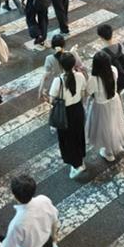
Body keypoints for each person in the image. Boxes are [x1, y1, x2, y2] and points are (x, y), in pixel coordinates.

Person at [48, 50, 88, 179]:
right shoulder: (81, 76)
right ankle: (80, 160)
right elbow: (83, 94)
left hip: (65, 113)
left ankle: (76, 165)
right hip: (77, 110)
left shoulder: (58, 81)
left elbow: (52, 100)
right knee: (78, 135)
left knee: (67, 140)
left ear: (61, 65)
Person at [86, 50, 124, 162]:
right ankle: (116, 144)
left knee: (104, 128)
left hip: (101, 105)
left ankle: (109, 152)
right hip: (114, 100)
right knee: (114, 123)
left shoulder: (94, 78)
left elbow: (88, 92)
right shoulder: (113, 70)